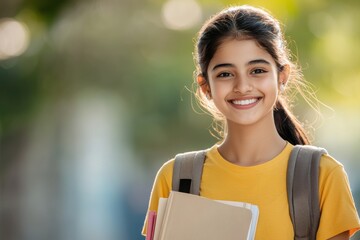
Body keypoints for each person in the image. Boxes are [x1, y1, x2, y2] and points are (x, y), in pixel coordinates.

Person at [142, 5, 360, 239]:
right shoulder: (176, 178)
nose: (243, 86)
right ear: (205, 87)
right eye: (225, 74)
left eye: (257, 70)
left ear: (282, 76)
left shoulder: (322, 176)